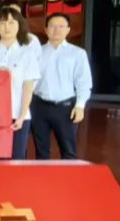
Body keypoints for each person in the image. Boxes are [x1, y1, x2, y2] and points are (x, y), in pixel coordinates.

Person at [0, 7, 40, 160]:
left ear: (20, 25)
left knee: (16, 158)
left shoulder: (27, 54)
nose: (7, 27)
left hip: (17, 114)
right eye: (2, 23)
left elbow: (28, 87)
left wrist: (22, 115)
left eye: (12, 23)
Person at [31, 13, 93, 160]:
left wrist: (80, 106)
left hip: (65, 108)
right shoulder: (37, 52)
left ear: (68, 29)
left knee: (68, 151)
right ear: (46, 29)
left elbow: (83, 82)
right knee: (41, 151)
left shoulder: (78, 54)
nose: (56, 30)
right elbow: (30, 79)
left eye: (61, 26)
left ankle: (69, 175)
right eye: (52, 26)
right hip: (39, 106)